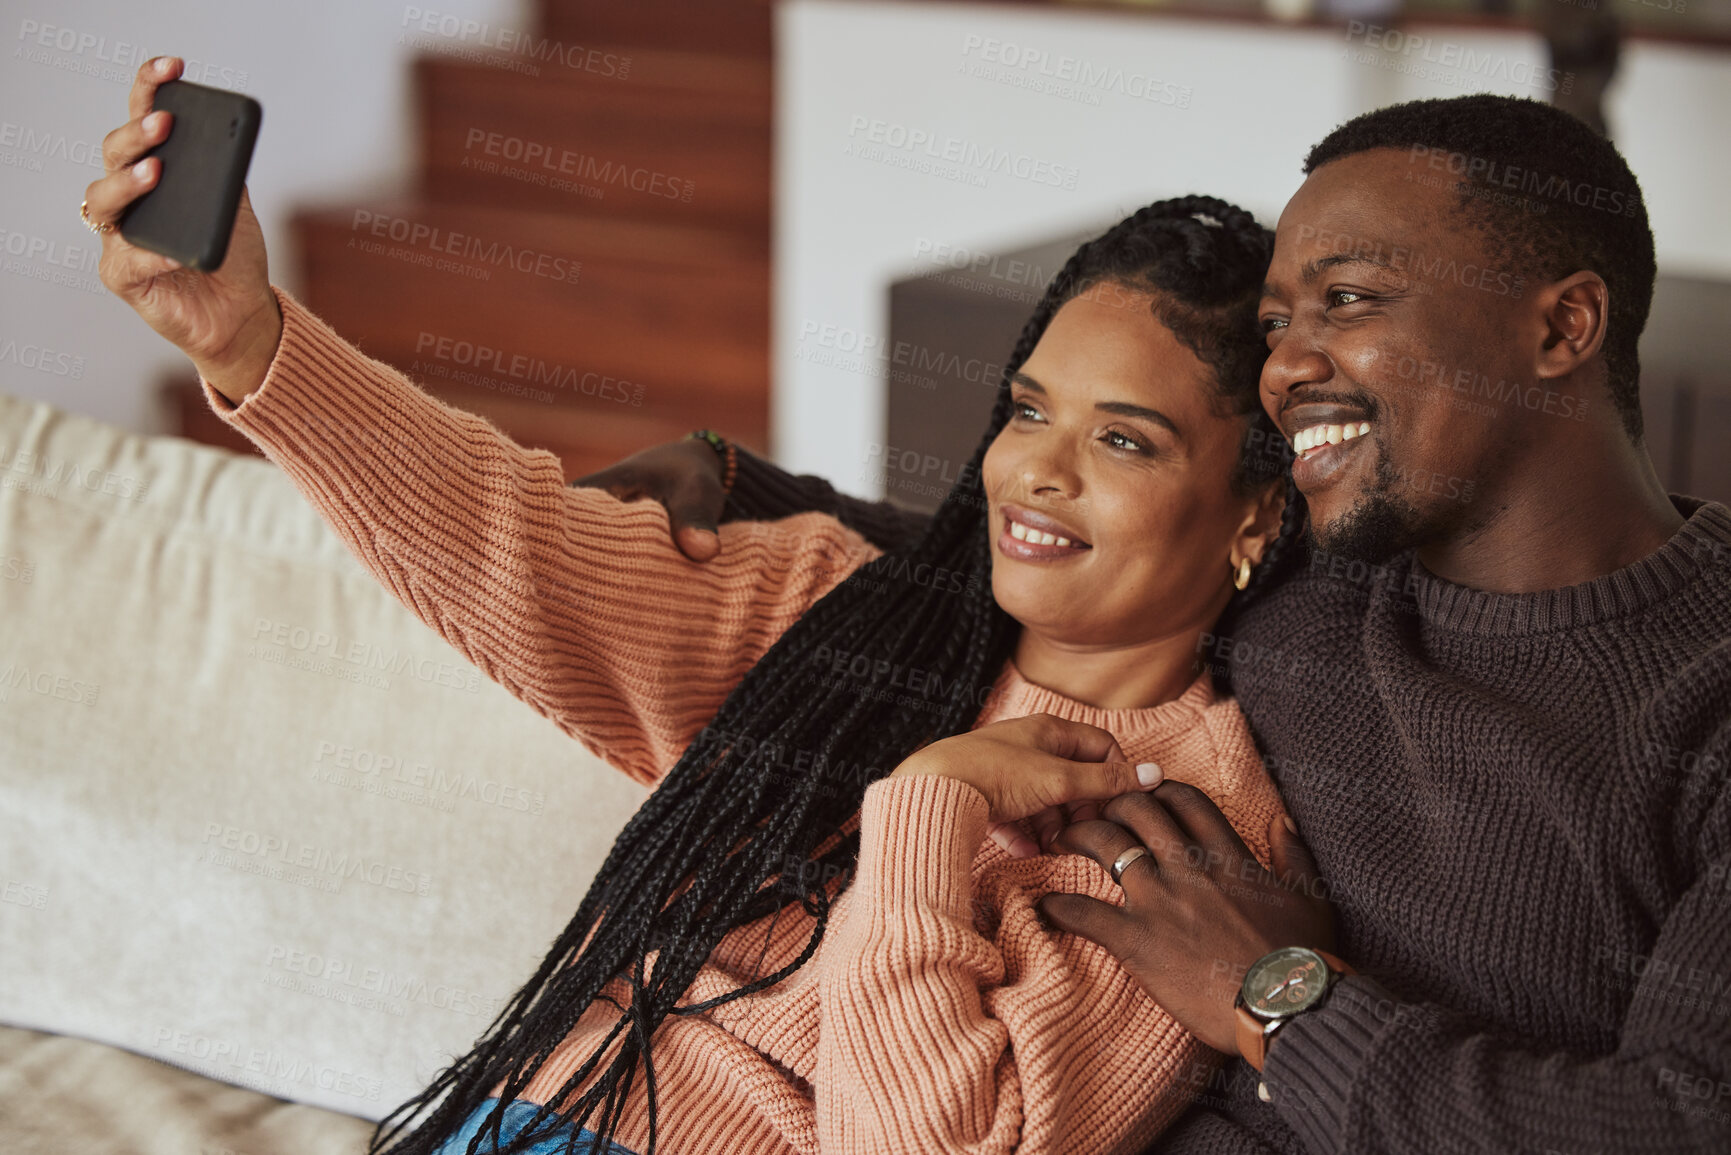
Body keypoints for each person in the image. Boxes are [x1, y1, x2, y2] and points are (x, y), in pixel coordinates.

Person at [86, 56, 1332, 1155]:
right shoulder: (851, 613)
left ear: (1253, 518)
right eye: (1026, 408)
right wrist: (250, 343)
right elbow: (515, 551)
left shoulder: (1189, 844)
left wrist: (927, 809)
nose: (1038, 469)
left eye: (1125, 440)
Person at [592, 94, 1731, 1153]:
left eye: (1348, 299)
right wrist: (733, 473)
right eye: (1280, 321)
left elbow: (1677, 1123)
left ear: (1564, 326)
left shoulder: (1703, 699)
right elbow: (1052, 539)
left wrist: (1282, 998)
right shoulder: (1324, 579)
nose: (1284, 366)